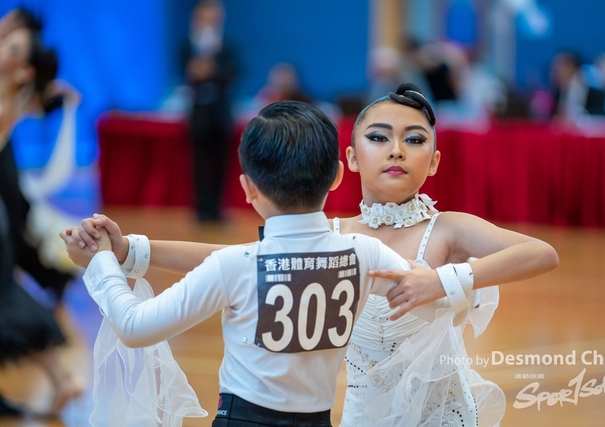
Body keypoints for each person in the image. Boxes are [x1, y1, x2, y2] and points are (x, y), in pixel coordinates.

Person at [68, 85, 559, 426]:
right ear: (348, 160)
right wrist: (134, 250)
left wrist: (443, 281)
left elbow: (541, 253)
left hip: (436, 415)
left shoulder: (445, 227)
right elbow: (238, 259)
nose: (396, 150)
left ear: (433, 162)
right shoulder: (344, 237)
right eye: (379, 137)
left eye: (414, 140)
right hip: (361, 416)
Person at [0, 10, 82, 416]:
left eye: (11, 46)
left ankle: (63, 378)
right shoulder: (11, 98)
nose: (2, 44)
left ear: (23, 70)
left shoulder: (6, 103)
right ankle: (63, 378)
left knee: (7, 301)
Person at [184, 0, 238, 222]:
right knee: (199, 163)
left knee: (220, 164)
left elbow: (233, 72)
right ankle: (201, 209)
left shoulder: (226, 45)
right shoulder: (189, 44)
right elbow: (186, 71)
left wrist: (211, 68)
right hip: (199, 114)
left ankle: (217, 209)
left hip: (220, 113)